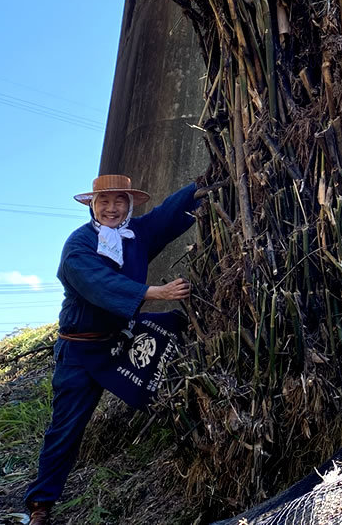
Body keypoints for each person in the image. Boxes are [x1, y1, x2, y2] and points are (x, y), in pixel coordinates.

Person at [24, 174, 203, 525]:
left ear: (129, 204)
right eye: (103, 201)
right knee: (67, 428)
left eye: (119, 201)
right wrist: (155, 292)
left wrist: (203, 184)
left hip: (121, 341)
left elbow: (169, 213)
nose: (111, 208)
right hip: (79, 352)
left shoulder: (137, 234)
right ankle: (41, 503)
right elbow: (97, 283)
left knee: (176, 328)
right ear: (92, 205)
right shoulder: (79, 244)